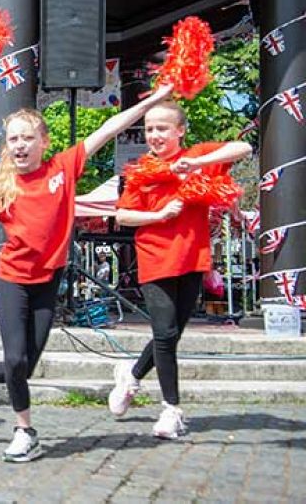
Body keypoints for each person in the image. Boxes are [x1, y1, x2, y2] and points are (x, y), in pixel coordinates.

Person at [0, 84, 175, 462]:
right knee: (14, 361)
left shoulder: (63, 168)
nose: (20, 145)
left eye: (27, 138)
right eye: (13, 139)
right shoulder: (2, 186)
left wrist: (154, 100)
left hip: (48, 282)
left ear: (44, 142)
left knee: (25, 366)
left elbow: (109, 129)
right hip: (11, 280)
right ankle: (25, 431)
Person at [108, 100, 251, 438]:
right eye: (150, 129)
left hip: (192, 258)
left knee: (169, 333)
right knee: (166, 333)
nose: (155, 135)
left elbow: (243, 146)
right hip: (155, 257)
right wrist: (158, 216)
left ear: (180, 131)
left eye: (162, 128)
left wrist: (197, 162)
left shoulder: (200, 157)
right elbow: (123, 216)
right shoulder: (141, 170)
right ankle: (172, 410)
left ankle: (131, 376)